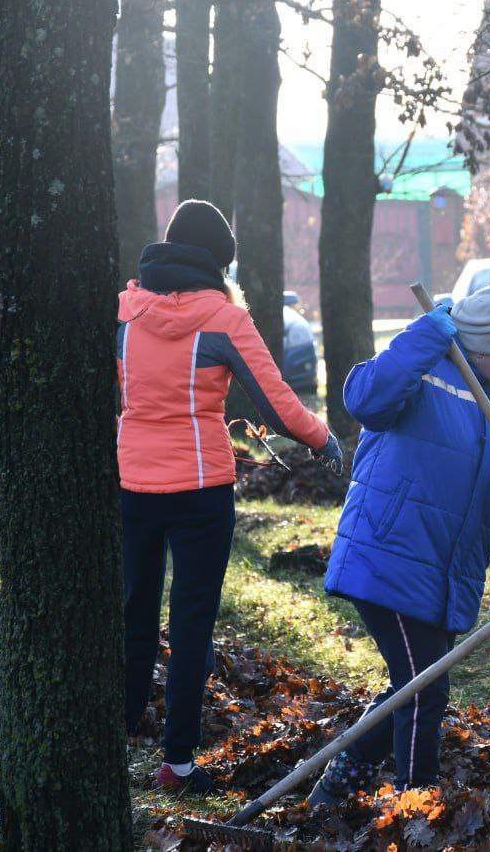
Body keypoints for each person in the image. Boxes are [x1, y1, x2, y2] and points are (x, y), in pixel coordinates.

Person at [118, 199, 343, 793]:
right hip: (200, 493)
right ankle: (178, 763)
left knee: (132, 612)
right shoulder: (223, 319)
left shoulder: (123, 311)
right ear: (219, 262)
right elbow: (276, 403)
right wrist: (323, 440)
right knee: (192, 624)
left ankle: (114, 739)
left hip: (133, 487)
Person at [310, 284, 490, 806]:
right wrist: (420, 338)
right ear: (484, 347)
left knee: (414, 683)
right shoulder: (420, 375)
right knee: (424, 689)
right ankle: (416, 807)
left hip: (444, 573)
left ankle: (341, 780)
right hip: (387, 557)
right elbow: (366, 399)